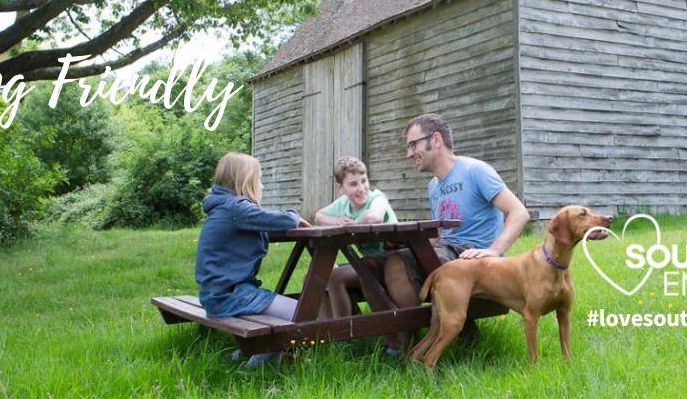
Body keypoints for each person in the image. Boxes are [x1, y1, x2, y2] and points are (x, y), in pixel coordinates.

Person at [382, 113, 530, 353]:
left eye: (413, 144)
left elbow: (519, 213)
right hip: (447, 249)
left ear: (436, 139)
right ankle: (429, 333)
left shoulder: (475, 171)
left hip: (473, 256)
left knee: (397, 264)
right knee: (379, 262)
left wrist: (493, 251)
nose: (409, 153)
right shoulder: (433, 186)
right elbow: (440, 236)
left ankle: (403, 344)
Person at [195, 152, 311, 368]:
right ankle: (254, 365)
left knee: (296, 311)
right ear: (245, 181)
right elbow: (279, 219)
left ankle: (250, 357)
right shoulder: (236, 208)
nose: (262, 186)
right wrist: (294, 217)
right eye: (259, 180)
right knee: (303, 313)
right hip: (230, 296)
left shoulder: (223, 207)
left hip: (216, 294)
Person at [314, 156, 398, 320]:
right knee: (316, 275)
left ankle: (343, 332)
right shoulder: (344, 203)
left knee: (334, 278)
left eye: (363, 181)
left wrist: (351, 225)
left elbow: (375, 217)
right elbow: (318, 216)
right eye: (353, 184)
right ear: (341, 188)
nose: (361, 188)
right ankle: (326, 330)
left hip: (393, 262)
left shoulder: (376, 198)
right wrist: (336, 221)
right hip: (369, 262)